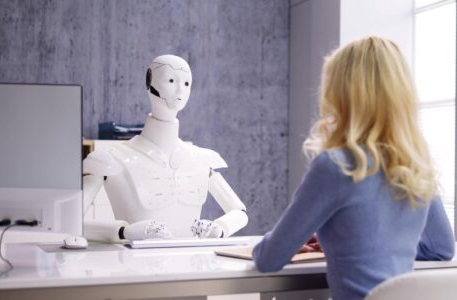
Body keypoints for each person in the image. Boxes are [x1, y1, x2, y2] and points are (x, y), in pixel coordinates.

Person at [252, 36, 455, 300]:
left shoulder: (335, 165)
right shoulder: (416, 162)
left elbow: (269, 258)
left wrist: (346, 243)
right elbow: (442, 247)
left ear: (341, 93)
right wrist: (360, 242)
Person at [82, 55, 248, 242]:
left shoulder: (201, 158)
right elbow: (73, 223)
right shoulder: (111, 158)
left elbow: (239, 211)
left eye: (186, 83)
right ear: (150, 82)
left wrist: (220, 228)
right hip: (134, 267)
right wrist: (125, 232)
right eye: (171, 80)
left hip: (194, 267)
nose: (180, 91)